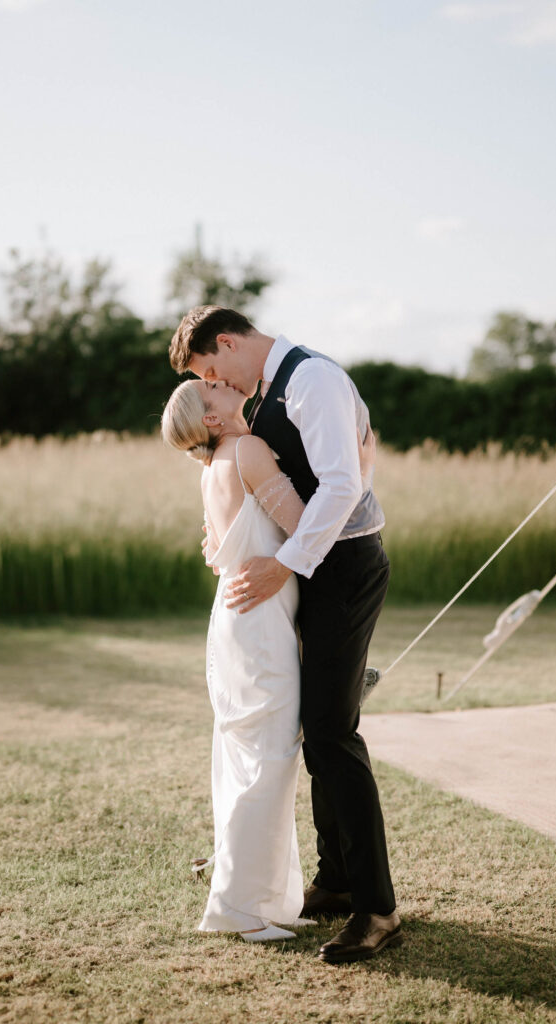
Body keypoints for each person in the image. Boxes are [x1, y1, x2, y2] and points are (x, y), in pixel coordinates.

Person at [169, 306, 401, 964]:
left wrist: (283, 562)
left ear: (232, 342)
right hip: (297, 573)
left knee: (331, 731)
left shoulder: (313, 381)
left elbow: (340, 486)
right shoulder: (261, 399)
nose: (221, 383)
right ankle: (334, 880)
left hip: (341, 568)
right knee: (313, 727)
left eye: (214, 370)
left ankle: (377, 908)